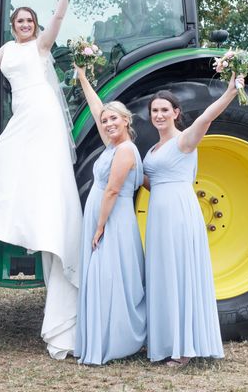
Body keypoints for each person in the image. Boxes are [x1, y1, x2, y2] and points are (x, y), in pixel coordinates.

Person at [0, 0, 83, 360]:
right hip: (22, 114)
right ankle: (2, 218)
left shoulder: (40, 45)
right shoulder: (6, 49)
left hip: (43, 114)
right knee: (2, 158)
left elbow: (58, 19)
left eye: (29, 21)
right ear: (12, 25)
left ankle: (47, 226)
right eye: (19, 21)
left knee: (43, 174)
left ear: (35, 25)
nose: (25, 25)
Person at [143, 74, 244, 367]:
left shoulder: (184, 140)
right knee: (163, 276)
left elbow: (207, 117)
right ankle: (166, 342)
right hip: (159, 215)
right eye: (155, 111)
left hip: (179, 214)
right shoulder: (153, 149)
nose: (159, 115)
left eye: (165, 110)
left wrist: (230, 91)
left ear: (176, 113)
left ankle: (185, 349)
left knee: (180, 274)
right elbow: (153, 182)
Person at [73, 64, 146, 365]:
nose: (107, 123)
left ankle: (114, 340)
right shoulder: (112, 145)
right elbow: (96, 110)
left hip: (112, 221)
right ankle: (100, 336)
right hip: (104, 218)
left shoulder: (125, 150)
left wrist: (99, 226)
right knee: (104, 277)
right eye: (105, 121)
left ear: (126, 120)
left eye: (113, 118)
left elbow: (113, 191)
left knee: (110, 277)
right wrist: (83, 79)